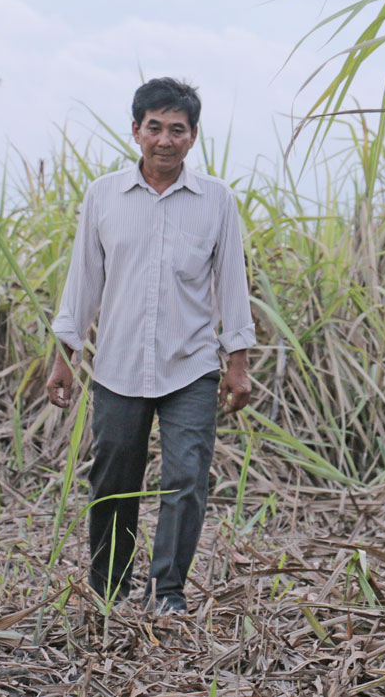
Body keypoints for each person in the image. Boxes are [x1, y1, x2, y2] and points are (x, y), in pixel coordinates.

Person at [45, 77, 255, 615]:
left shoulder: (216, 201)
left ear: (193, 137)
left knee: (186, 477)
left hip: (191, 366)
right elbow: (84, 279)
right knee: (113, 477)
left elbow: (232, 281)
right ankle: (108, 588)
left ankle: (167, 592)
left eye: (177, 130)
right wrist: (65, 356)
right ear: (136, 130)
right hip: (117, 364)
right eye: (154, 128)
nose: (165, 139)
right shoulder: (104, 196)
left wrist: (238, 362)